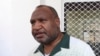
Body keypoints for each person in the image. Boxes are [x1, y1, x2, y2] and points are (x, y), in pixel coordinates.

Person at [29, 5, 95, 56]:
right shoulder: (32, 54)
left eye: (42, 20)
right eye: (33, 23)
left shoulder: (81, 50)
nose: (36, 27)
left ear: (57, 22)